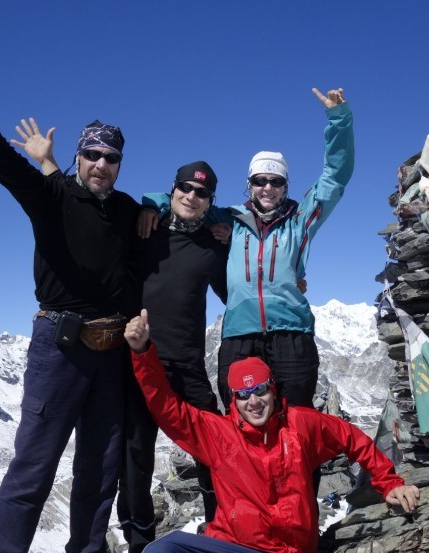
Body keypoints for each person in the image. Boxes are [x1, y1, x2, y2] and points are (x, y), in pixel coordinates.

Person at [0, 56, 135, 553]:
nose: (101, 164)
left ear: (119, 164)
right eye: (93, 154)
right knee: (35, 459)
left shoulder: (128, 210)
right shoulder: (50, 196)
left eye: (111, 158)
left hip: (111, 350)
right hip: (59, 345)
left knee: (100, 463)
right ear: (78, 157)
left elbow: (169, 212)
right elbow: (1, 162)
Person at [13, 120, 228, 553]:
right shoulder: (142, 225)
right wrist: (151, 204)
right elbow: (89, 208)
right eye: (185, 188)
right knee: (133, 468)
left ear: (211, 200)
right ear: (172, 190)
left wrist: (230, 228)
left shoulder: (215, 245)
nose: (192, 196)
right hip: (140, 363)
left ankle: (225, 543)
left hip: (188, 368)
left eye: (202, 193)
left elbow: (236, 291)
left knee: (216, 455)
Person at [124, 310, 419, 553]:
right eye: (243, 394)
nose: (253, 401)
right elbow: (167, 409)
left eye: (260, 389)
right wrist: (142, 352)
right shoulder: (217, 434)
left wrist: (388, 482)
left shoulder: (301, 425)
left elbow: (351, 437)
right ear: (234, 399)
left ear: (273, 389)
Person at [141, 87, 354, 414]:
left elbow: (335, 178)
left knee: (297, 419)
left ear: (285, 185)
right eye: (259, 181)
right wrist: (152, 204)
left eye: (276, 181)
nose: (267, 188)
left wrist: (339, 120)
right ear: (249, 184)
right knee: (239, 422)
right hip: (239, 335)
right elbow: (188, 203)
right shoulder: (230, 218)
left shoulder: (300, 220)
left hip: (291, 333)